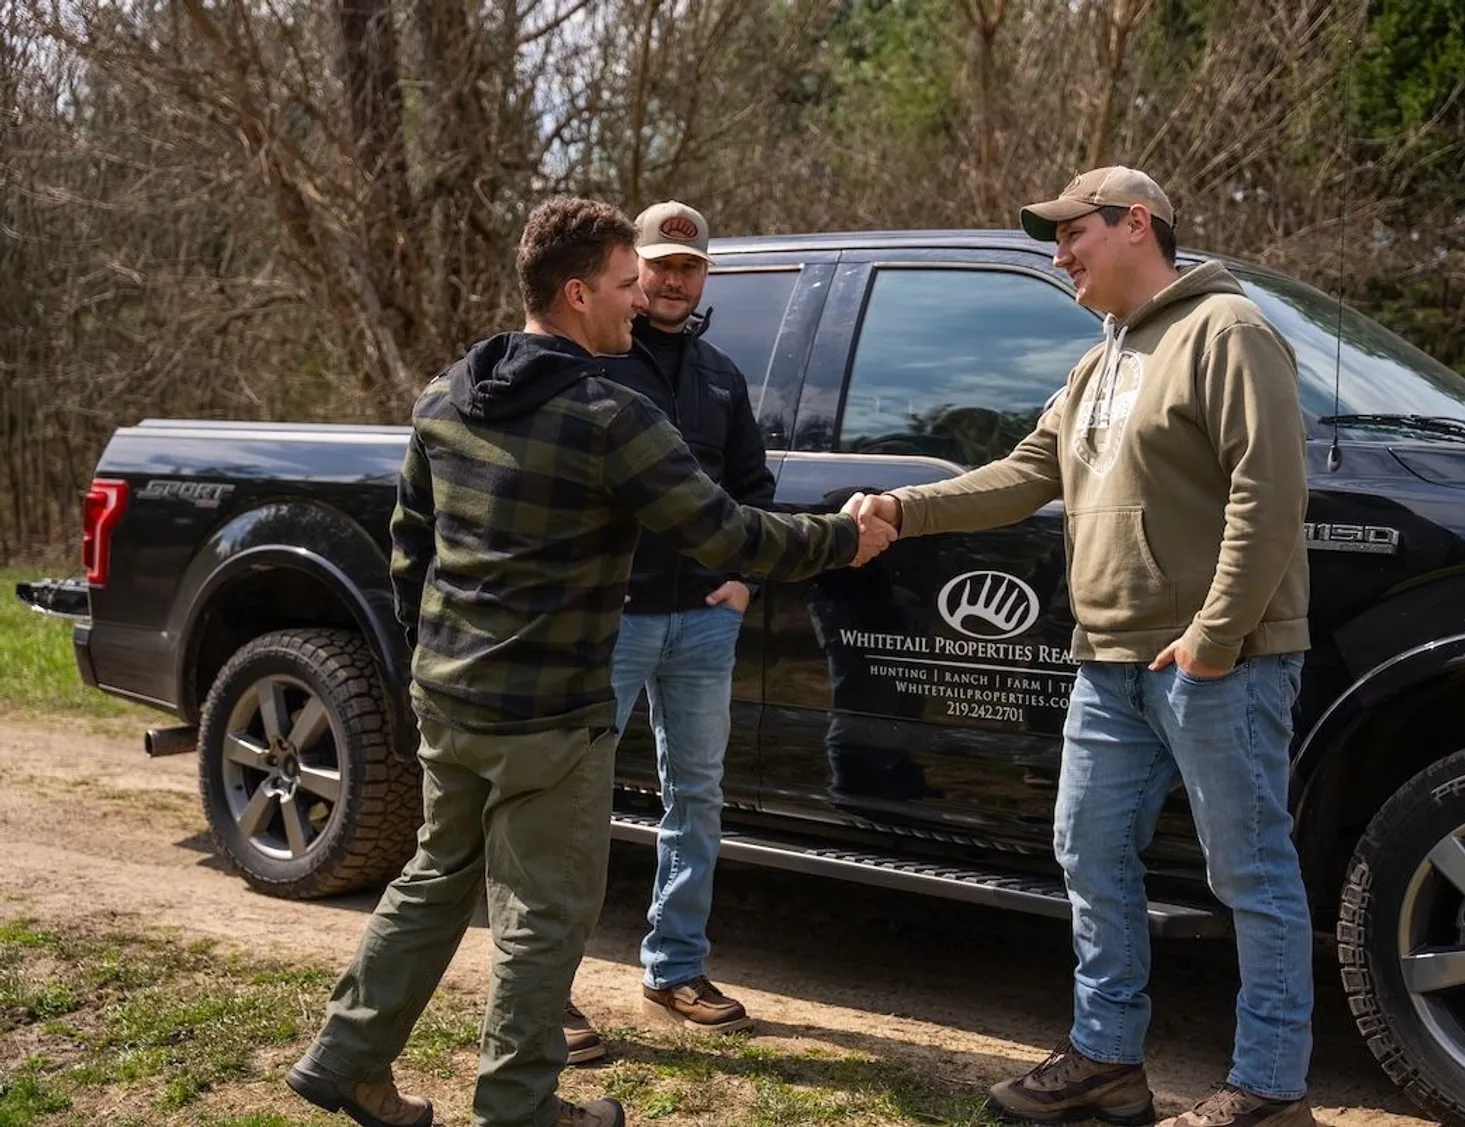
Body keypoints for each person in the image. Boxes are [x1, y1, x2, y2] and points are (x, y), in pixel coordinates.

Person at [284, 195, 896, 1127]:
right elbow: (727, 533)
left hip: (451, 698)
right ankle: (521, 1105)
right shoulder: (612, 413)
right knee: (548, 905)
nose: (636, 300)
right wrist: (843, 540)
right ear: (576, 294)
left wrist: (434, 660)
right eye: (621, 285)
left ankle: (345, 1057)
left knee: (435, 875)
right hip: (550, 714)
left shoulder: (449, 392)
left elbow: (411, 547)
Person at [845, 166, 1315, 1127]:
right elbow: (1024, 475)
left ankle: (1269, 1089)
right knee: (1088, 849)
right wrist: (903, 505)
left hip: (1216, 660)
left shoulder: (1226, 332)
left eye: (1072, 236)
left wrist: (1216, 636)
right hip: (1108, 658)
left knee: (1251, 873)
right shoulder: (1100, 361)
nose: (1059, 256)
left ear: (1135, 223)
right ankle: (1106, 1063)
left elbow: (1269, 494)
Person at [561, 201, 774, 1059]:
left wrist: (744, 577)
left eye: (689, 264)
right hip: (611, 621)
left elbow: (751, 488)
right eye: (659, 264)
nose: (674, 278)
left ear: (704, 273)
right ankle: (553, 990)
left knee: (696, 797)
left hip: (702, 623)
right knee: (573, 801)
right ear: (632, 270)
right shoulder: (596, 364)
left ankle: (674, 966)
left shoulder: (721, 375)